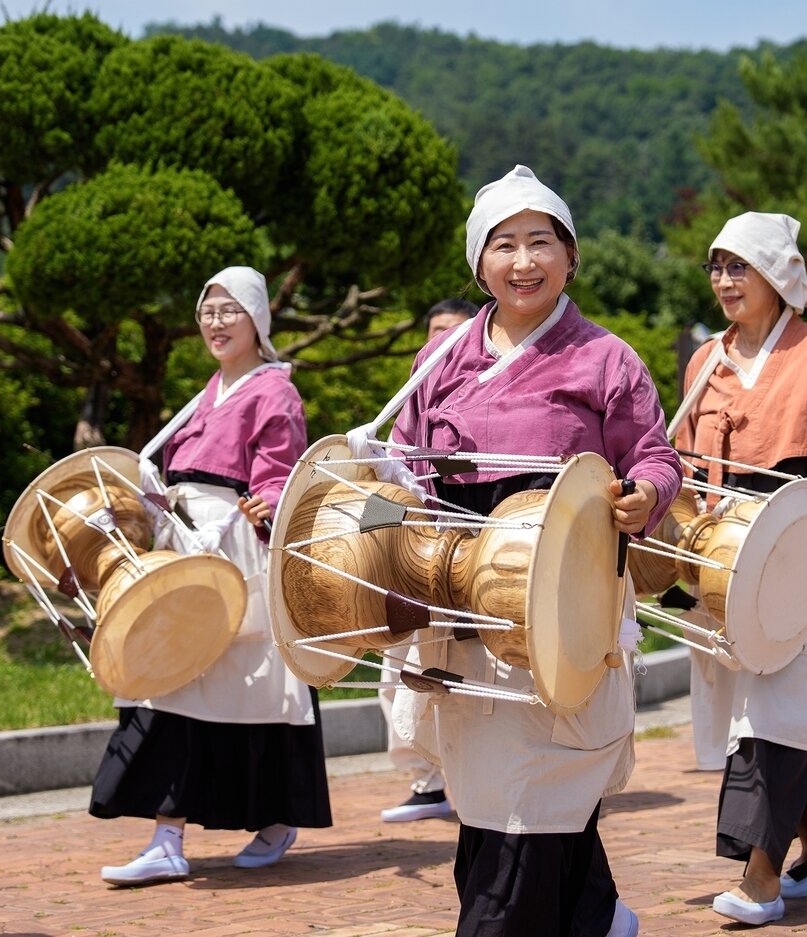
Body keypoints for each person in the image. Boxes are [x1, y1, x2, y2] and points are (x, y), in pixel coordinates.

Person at [389, 165, 681, 937]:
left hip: (562, 586)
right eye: (505, 245)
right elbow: (403, 463)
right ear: (479, 264)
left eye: (540, 242)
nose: (524, 261)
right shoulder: (440, 360)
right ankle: (596, 914)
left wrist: (645, 492)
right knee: (493, 781)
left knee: (537, 776)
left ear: (570, 255)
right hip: (462, 589)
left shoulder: (608, 358)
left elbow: (655, 455)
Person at [92, 266, 332, 885]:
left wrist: (265, 507)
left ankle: (274, 817)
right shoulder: (204, 394)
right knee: (169, 678)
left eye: (230, 310)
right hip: (187, 548)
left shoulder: (275, 392)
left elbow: (279, 477)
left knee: (249, 689)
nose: (216, 322)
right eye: (207, 312)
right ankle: (167, 837)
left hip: (239, 551)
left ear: (258, 319)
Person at [674, 211, 807, 927]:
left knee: (787, 701)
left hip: (800, 539)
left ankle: (760, 876)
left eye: (740, 266)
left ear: (777, 274)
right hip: (726, 546)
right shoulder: (706, 359)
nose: (724, 281)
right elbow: (684, 458)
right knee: (765, 701)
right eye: (717, 267)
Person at [377, 297, 480, 824]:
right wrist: (371, 530)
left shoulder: (488, 388)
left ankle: (471, 782)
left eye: (455, 332)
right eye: (435, 332)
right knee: (399, 666)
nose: (443, 342)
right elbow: (393, 470)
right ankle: (425, 782)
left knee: (464, 667)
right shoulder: (414, 394)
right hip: (413, 551)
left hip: (468, 550)